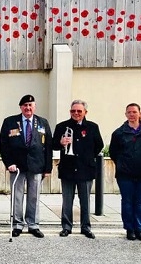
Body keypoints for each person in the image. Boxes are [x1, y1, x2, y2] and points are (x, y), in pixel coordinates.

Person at [0, 94, 53, 238]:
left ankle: (33, 225)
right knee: (17, 196)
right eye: (25, 105)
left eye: (30, 105)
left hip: (36, 166)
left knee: (34, 196)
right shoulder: (10, 122)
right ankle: (17, 224)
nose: (28, 108)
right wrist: (9, 163)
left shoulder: (43, 122)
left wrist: (48, 168)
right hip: (16, 167)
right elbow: (4, 145)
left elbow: (48, 146)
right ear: (21, 107)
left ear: (34, 106)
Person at [52, 100, 104, 239]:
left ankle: (86, 227)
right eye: (73, 111)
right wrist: (60, 142)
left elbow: (99, 145)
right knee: (67, 200)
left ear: (85, 112)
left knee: (85, 201)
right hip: (68, 169)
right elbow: (53, 145)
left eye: (79, 111)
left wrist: (86, 158)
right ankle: (66, 227)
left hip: (85, 170)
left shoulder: (93, 127)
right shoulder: (62, 126)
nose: (76, 113)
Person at [109, 103, 141, 241]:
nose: (132, 114)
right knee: (127, 201)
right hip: (125, 174)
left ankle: (139, 229)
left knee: (140, 201)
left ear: (140, 113)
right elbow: (114, 152)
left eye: (134, 112)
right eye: (129, 112)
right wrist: (121, 164)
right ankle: (129, 229)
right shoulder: (119, 133)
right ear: (126, 114)